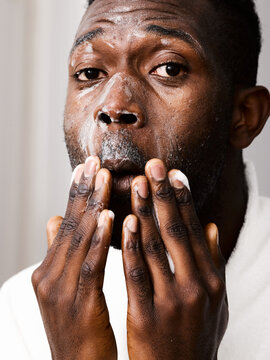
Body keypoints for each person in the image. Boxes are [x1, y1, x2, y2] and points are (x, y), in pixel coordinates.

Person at [1, 0, 270, 359]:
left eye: (169, 68)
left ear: (244, 116)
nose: (114, 106)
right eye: (89, 73)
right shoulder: (21, 310)